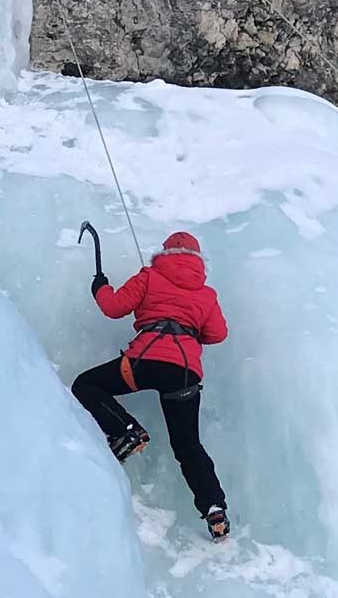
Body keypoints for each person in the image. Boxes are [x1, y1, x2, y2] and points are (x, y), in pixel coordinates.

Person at [73, 231, 232, 539]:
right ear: (198, 262)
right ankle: (215, 510)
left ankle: (126, 431)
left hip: (144, 362)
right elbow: (218, 334)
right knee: (188, 447)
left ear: (165, 253)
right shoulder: (206, 294)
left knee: (87, 384)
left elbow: (114, 307)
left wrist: (100, 287)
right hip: (185, 373)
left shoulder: (150, 276)